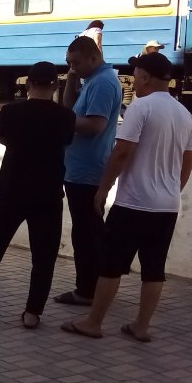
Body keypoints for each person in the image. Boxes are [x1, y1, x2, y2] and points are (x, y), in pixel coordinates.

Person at [62, 52, 192, 343]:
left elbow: (122, 151)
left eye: (136, 75)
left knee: (110, 265)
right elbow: (188, 159)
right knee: (154, 268)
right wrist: (174, 189)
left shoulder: (141, 107)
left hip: (134, 203)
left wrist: (103, 188)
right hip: (167, 206)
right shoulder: (183, 113)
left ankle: (94, 322)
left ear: (146, 77)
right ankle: (141, 326)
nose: (134, 81)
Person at [0, 62, 76, 328]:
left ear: (27, 83)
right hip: (49, 192)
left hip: (11, 189)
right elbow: (67, 141)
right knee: (44, 255)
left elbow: (3, 139)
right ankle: (32, 313)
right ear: (55, 85)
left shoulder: (10, 112)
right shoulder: (66, 117)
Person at [53, 36, 123, 306]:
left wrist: (59, 123)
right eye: (69, 63)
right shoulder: (91, 80)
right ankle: (94, 287)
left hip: (88, 171)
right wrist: (71, 81)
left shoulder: (103, 83)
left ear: (95, 57)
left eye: (77, 63)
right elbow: (71, 110)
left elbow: (94, 125)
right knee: (85, 231)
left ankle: (88, 290)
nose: (73, 67)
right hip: (78, 169)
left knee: (87, 234)